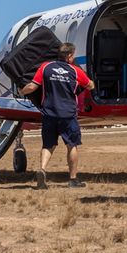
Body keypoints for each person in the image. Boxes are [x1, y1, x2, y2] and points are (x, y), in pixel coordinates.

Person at [17, 43, 93, 189]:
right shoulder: (75, 71)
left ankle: (42, 169)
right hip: (68, 114)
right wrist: (92, 84)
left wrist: (21, 92)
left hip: (49, 113)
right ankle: (73, 179)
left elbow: (32, 86)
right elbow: (89, 85)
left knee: (48, 145)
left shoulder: (46, 67)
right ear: (70, 56)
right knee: (72, 145)